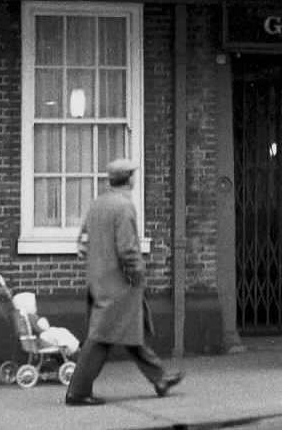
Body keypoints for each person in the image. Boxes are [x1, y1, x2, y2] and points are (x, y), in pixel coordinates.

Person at [64, 157, 184, 406]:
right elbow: (128, 249)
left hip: (99, 280)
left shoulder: (97, 204)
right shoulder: (124, 207)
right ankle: (77, 391)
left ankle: (160, 379)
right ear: (130, 179)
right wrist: (137, 274)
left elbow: (82, 242)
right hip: (120, 284)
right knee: (101, 337)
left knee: (130, 330)